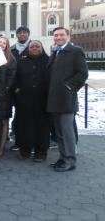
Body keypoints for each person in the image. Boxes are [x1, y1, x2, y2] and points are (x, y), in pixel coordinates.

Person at [47, 27, 88, 172]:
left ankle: (70, 160)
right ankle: (63, 157)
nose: (58, 37)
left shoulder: (75, 51)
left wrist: (68, 87)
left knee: (67, 131)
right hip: (54, 100)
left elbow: (82, 74)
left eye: (61, 35)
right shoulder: (55, 51)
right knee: (59, 132)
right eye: (56, 35)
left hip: (66, 99)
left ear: (68, 36)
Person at [14, 40, 50, 162]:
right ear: (28, 49)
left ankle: (41, 152)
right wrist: (17, 93)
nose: (34, 48)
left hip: (43, 100)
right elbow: (15, 78)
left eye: (37, 46)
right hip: (24, 101)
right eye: (32, 46)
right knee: (24, 127)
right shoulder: (21, 61)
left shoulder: (48, 61)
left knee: (42, 128)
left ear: (42, 48)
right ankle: (25, 151)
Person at [0, 37, 17, 158]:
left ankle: (1, 148)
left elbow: (11, 79)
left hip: (5, 96)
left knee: (4, 122)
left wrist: (4, 91)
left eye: (4, 42)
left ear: (7, 46)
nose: (1, 44)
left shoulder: (11, 59)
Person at [10, 26, 31, 151]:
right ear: (16, 35)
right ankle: (18, 141)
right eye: (20, 33)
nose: (22, 35)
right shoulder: (12, 49)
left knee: (28, 117)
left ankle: (28, 141)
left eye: (25, 33)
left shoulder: (34, 47)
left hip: (28, 89)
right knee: (18, 117)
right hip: (14, 88)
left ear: (28, 34)